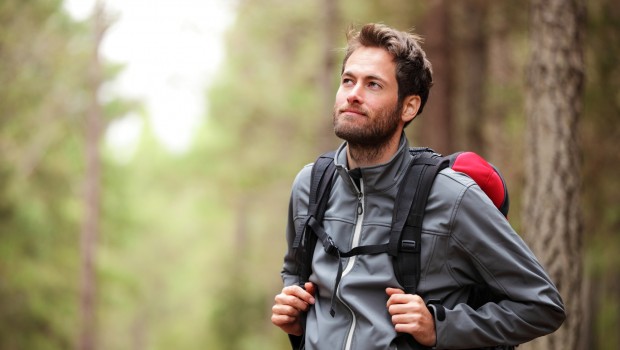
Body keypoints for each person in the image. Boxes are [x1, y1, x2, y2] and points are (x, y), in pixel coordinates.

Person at [271, 23, 565, 349]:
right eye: (348, 81)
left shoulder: (452, 197)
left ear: (408, 107)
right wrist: (296, 319)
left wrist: (440, 327)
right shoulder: (311, 186)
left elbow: (542, 306)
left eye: (373, 85)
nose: (353, 94)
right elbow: (294, 273)